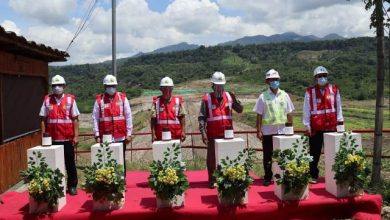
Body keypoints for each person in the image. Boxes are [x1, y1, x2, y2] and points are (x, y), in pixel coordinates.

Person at [198, 71, 243, 188]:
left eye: (222, 86)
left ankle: (228, 177)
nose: (220, 88)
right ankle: (212, 180)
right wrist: (203, 133)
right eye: (217, 86)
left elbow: (240, 110)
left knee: (228, 155)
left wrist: (235, 99)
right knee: (212, 158)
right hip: (213, 134)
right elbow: (201, 117)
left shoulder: (229, 97)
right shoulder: (206, 99)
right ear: (212, 85)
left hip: (228, 134)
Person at [253, 69, 295, 186]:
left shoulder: (285, 95)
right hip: (268, 132)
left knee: (283, 155)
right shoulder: (263, 97)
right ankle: (267, 177)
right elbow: (259, 115)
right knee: (268, 156)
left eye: (276, 79)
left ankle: (283, 176)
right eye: (272, 80)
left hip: (282, 131)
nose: (275, 81)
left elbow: (289, 113)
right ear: (267, 82)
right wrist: (258, 130)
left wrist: (291, 128)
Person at [39, 75, 79, 195]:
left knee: (70, 163)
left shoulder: (70, 100)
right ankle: (55, 186)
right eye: (54, 86)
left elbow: (75, 119)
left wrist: (76, 136)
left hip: (67, 139)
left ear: (64, 86)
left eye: (60, 85)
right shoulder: (47, 100)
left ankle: (72, 186)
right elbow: (43, 119)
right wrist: (43, 136)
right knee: (53, 163)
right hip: (52, 140)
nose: (57, 87)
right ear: (52, 87)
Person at [303, 66, 344, 183]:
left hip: (331, 127)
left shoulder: (334, 89)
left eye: (324, 76)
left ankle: (333, 176)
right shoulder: (309, 92)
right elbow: (306, 109)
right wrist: (307, 126)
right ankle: (313, 175)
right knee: (314, 154)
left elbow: (339, 107)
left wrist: (340, 124)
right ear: (315, 78)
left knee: (333, 153)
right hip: (316, 128)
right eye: (319, 76)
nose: (322, 78)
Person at [92, 74, 133, 177]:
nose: (111, 88)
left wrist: (129, 133)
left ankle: (121, 182)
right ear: (104, 87)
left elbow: (128, 116)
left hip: (120, 136)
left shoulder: (123, 98)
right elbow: (95, 118)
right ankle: (107, 183)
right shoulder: (99, 100)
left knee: (120, 160)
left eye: (113, 86)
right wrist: (97, 135)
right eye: (109, 86)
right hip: (105, 138)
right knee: (106, 160)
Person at [151, 76, 186, 142]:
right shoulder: (156, 102)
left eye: (169, 88)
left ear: (172, 89)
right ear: (160, 89)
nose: (167, 90)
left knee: (175, 152)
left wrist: (183, 131)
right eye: (164, 88)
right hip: (160, 137)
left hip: (175, 136)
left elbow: (182, 117)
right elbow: (153, 119)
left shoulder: (178, 101)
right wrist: (153, 134)